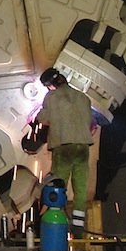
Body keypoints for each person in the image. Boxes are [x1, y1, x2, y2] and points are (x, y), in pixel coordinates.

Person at [33, 68, 95, 229]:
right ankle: (79, 228)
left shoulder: (51, 97)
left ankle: (56, 225)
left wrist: (38, 114)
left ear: (50, 86)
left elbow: (44, 118)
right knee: (80, 190)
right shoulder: (83, 97)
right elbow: (90, 122)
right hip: (82, 148)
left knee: (58, 187)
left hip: (63, 148)